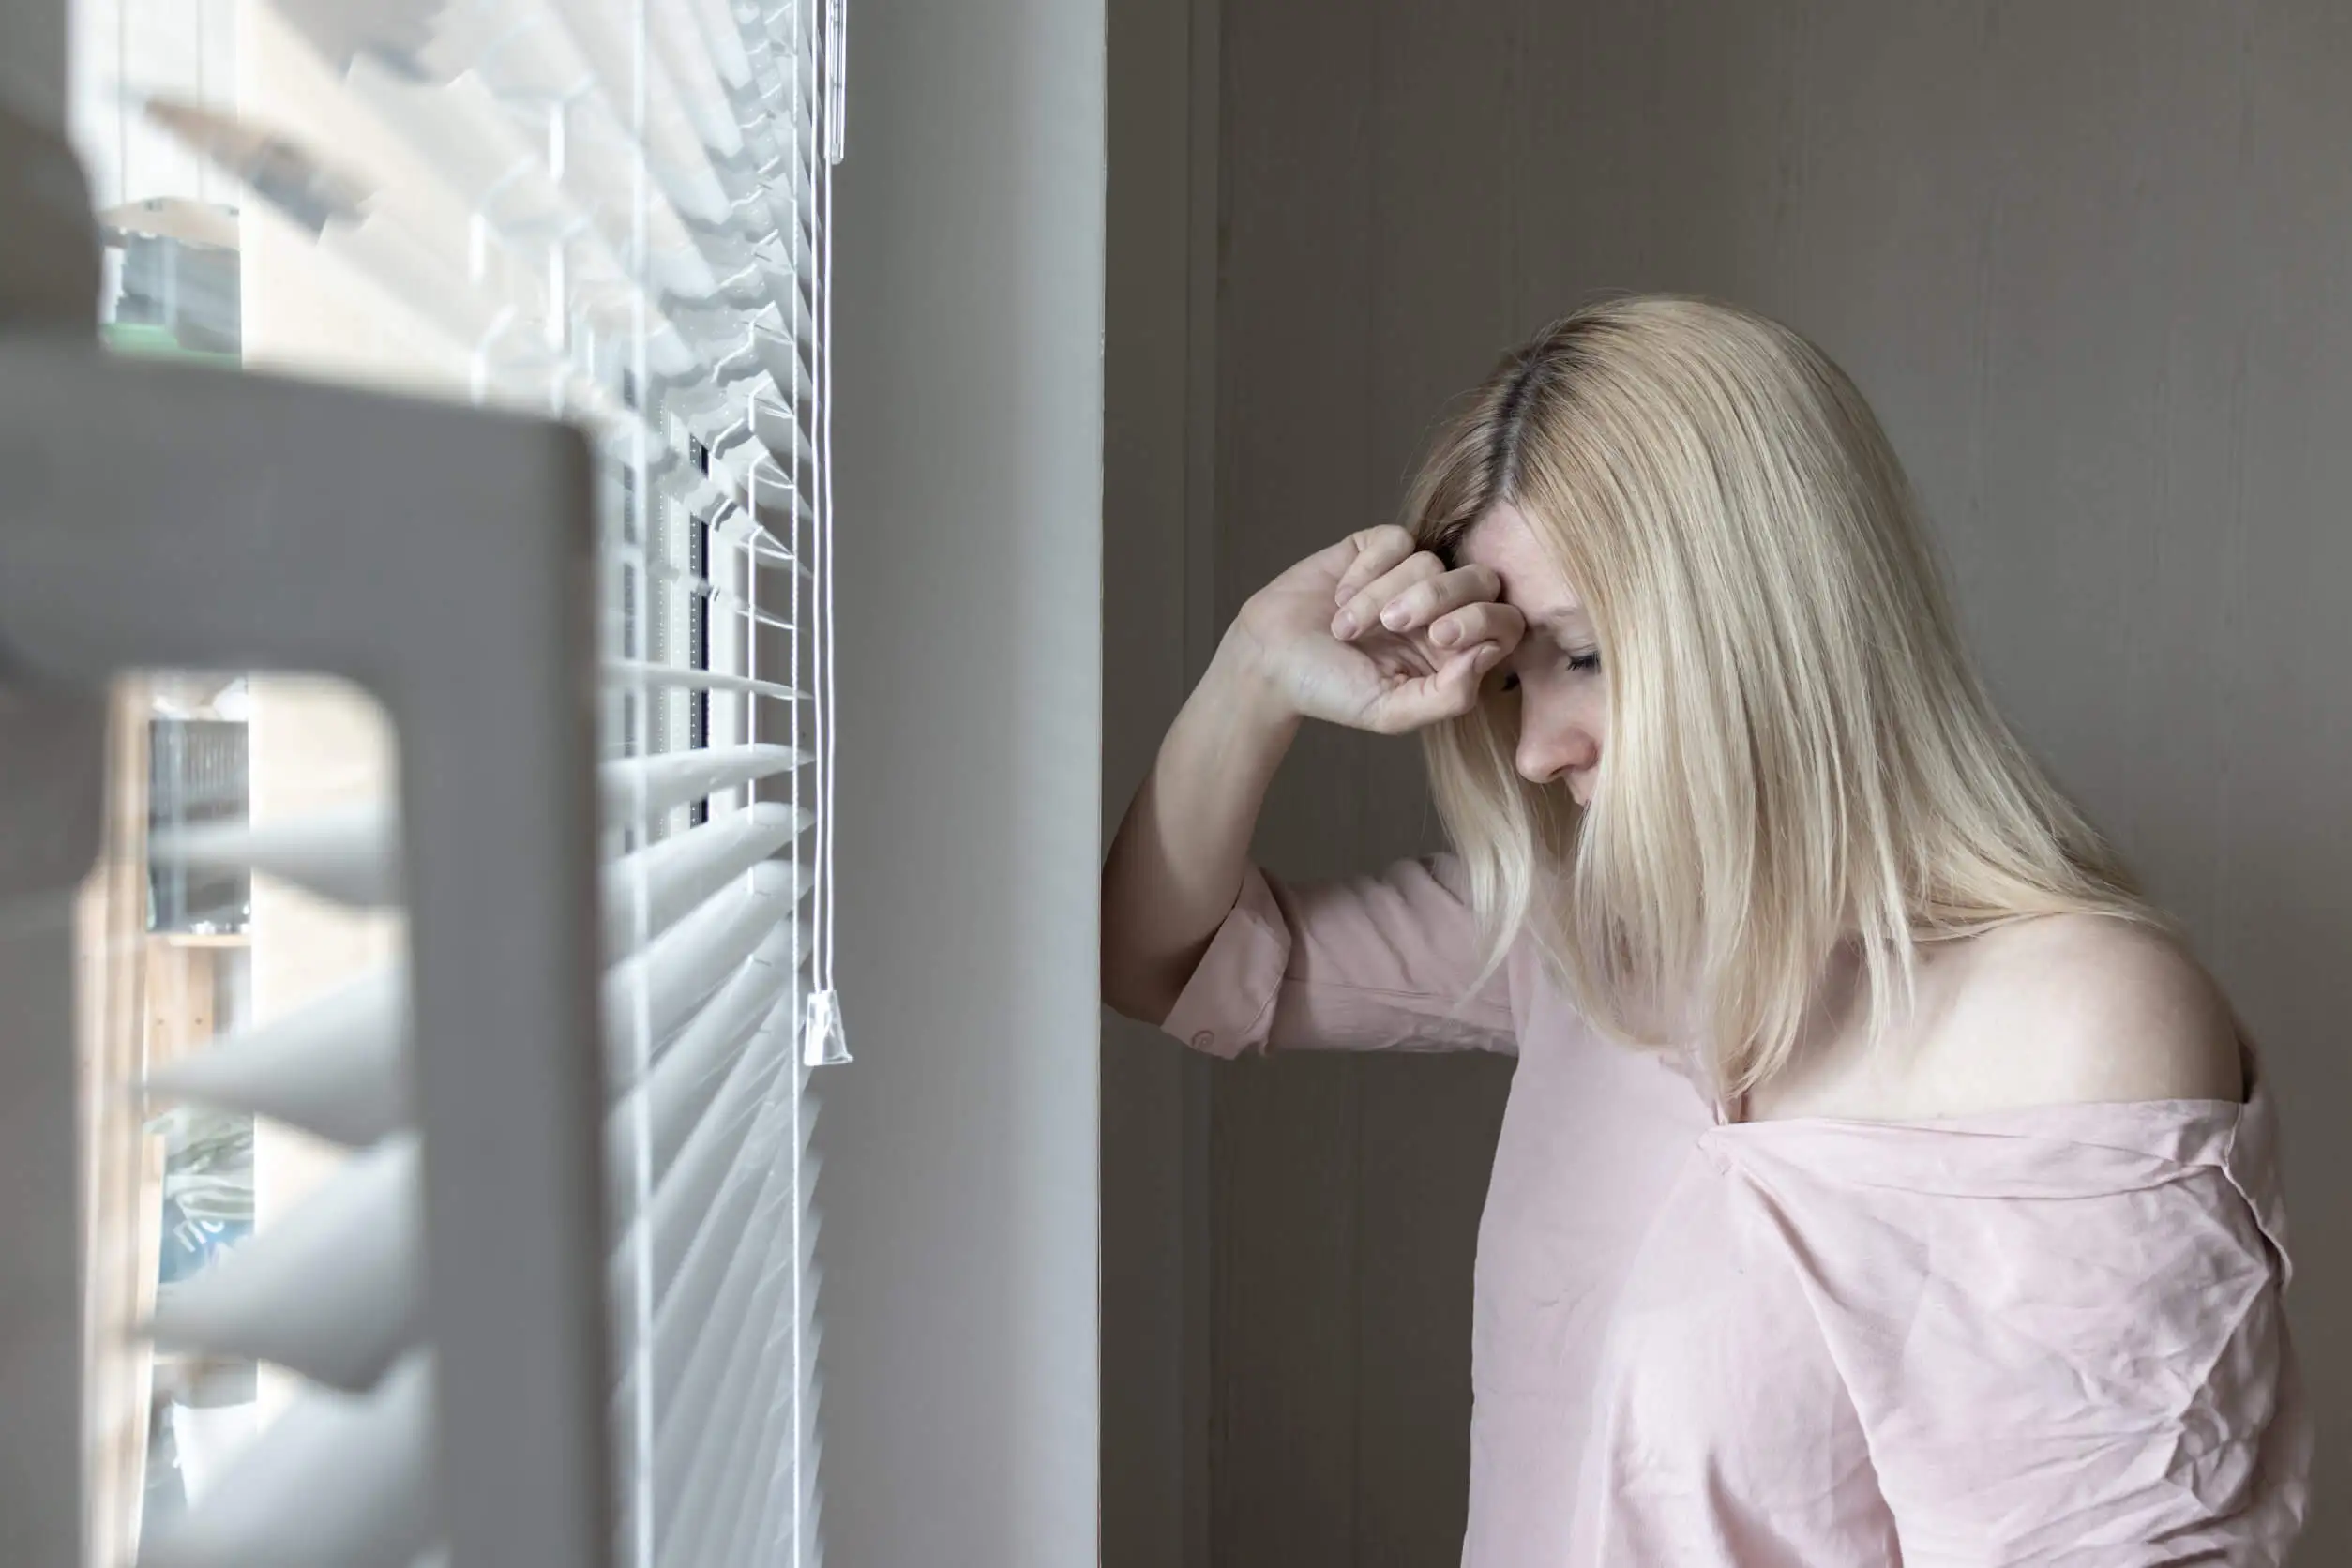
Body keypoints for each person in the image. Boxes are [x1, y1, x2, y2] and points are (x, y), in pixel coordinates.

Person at [1101, 296, 2307, 1566]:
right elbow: (1165, 962)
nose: (1533, 746)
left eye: (1585, 657)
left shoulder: (2078, 1021)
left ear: (1774, 626)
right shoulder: (1589, 934)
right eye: (1513, 679)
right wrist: (1253, 675)